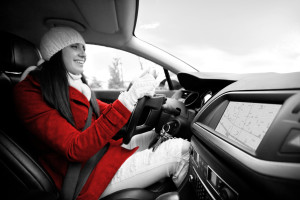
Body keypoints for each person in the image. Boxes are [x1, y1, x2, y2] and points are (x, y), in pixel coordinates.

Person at [14, 26, 190, 200]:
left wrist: (153, 102)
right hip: (86, 179)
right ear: (55, 52)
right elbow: (75, 149)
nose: (83, 54)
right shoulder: (30, 93)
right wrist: (127, 100)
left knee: (160, 135)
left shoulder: (77, 87)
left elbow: (110, 114)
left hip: (105, 155)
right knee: (180, 151)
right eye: (74, 47)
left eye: (84, 48)